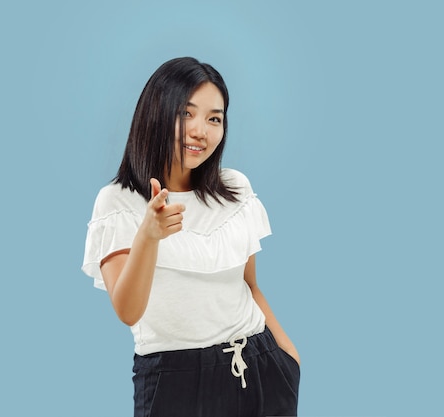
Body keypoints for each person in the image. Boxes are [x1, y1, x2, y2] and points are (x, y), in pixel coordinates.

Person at [81, 57, 300, 417]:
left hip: (260, 367)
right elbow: (128, 310)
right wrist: (148, 237)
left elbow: (250, 286)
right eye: (187, 113)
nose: (201, 130)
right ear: (156, 113)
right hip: (175, 381)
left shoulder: (234, 189)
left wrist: (288, 356)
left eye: (214, 118)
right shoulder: (118, 202)